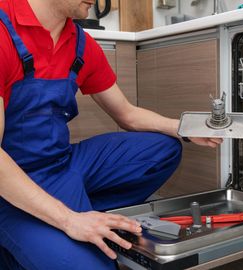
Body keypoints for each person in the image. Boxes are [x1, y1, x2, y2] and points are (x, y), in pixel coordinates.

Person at [0, 0, 222, 269]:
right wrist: (70, 220)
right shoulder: (3, 29)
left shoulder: (79, 42)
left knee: (162, 149)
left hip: (61, 164)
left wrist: (184, 128)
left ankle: (64, 218)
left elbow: (126, 114)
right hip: (9, 183)